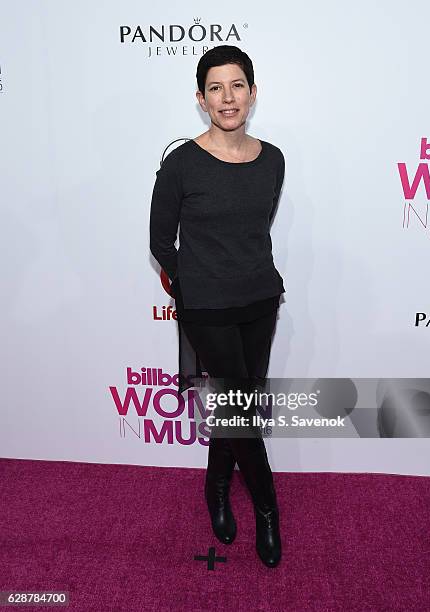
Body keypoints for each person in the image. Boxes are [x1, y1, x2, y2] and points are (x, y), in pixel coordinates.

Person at [149, 45, 285, 568]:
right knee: (243, 412)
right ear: (201, 99)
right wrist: (194, 290)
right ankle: (269, 513)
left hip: (260, 300)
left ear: (253, 92)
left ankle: (217, 485)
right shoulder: (181, 164)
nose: (227, 98)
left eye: (237, 86)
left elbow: (255, 230)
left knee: (234, 407)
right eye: (215, 88)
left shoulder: (273, 159)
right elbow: (162, 243)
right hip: (207, 307)